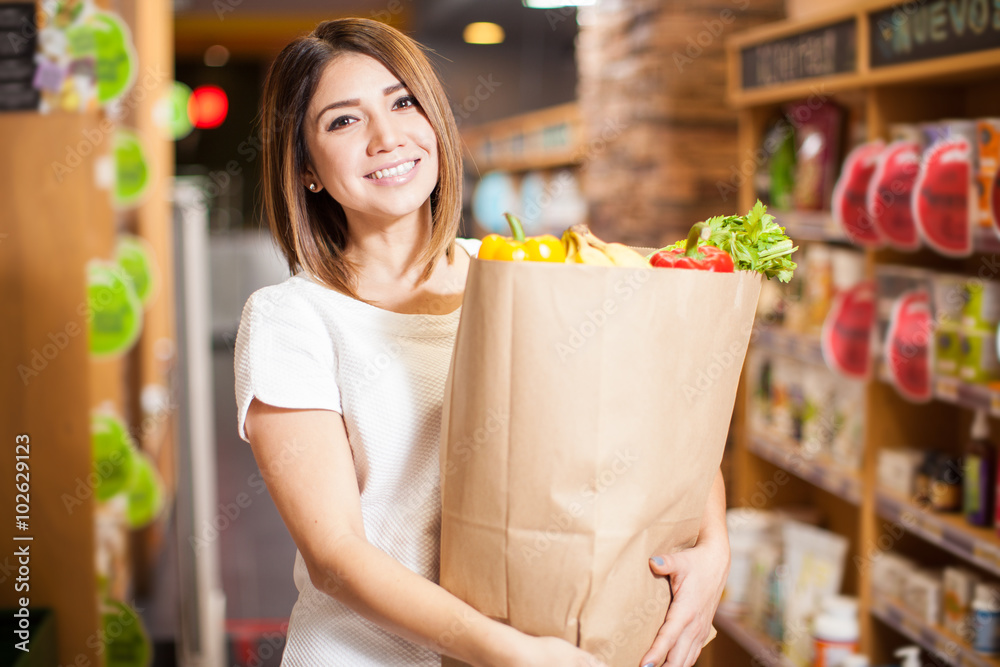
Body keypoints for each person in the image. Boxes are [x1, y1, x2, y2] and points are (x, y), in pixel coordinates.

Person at [234, 17, 730, 667]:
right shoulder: (290, 319)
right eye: (343, 121)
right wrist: (511, 652)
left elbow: (656, 419)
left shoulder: (520, 274)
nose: (387, 137)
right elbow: (335, 557)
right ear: (306, 170)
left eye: (403, 102)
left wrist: (714, 548)